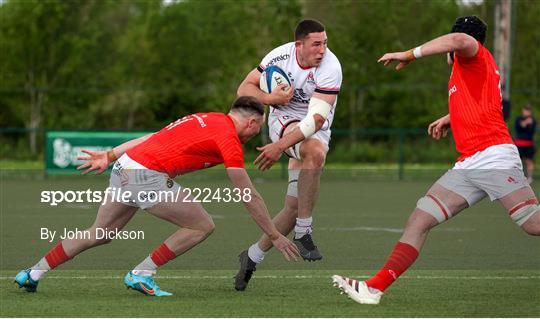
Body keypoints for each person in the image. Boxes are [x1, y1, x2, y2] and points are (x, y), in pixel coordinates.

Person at [332, 16, 540, 305]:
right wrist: (450, 118)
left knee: (533, 224)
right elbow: (482, 105)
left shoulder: (471, 53)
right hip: (468, 165)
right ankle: (373, 289)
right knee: (419, 219)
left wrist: (409, 54)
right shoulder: (465, 71)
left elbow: (460, 40)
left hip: (494, 158)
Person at [14, 96, 299, 297]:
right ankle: (142, 273)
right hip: (145, 174)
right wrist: (273, 235)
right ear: (251, 123)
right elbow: (247, 193)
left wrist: (111, 155)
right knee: (201, 225)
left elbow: (152, 137)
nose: (254, 134)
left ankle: (33, 273)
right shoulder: (229, 139)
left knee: (99, 233)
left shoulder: (206, 117)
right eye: (258, 128)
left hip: (126, 166)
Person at [234, 19, 342, 290]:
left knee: (293, 208)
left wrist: (279, 148)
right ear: (299, 45)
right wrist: (271, 100)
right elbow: (244, 89)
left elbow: (316, 121)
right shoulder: (279, 57)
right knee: (315, 152)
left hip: (314, 125)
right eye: (316, 44)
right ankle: (304, 232)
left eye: (325, 43)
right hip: (284, 121)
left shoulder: (331, 67)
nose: (322, 50)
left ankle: (251, 256)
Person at [514, 105, 536, 183]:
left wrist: (529, 123)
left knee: (529, 161)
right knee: (517, 162)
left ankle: (529, 177)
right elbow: (518, 127)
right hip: (519, 144)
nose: (526, 112)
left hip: (529, 144)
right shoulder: (518, 119)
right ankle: (518, 177)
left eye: (528, 110)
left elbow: (531, 131)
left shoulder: (533, 120)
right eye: (525, 110)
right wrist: (526, 122)